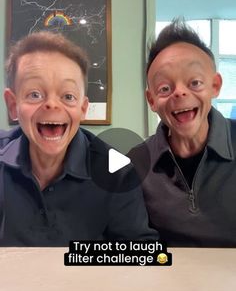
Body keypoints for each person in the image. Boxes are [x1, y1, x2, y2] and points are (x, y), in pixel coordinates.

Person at [0, 31, 158, 246]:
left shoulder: (117, 172)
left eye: (68, 96)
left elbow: (140, 252)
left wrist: (78, 260)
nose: (52, 105)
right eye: (34, 94)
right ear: (12, 105)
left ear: (83, 109)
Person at [129, 19, 236, 247]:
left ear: (215, 86)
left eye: (195, 82)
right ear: (152, 100)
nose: (180, 93)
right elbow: (135, 243)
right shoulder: (136, 162)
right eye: (165, 88)